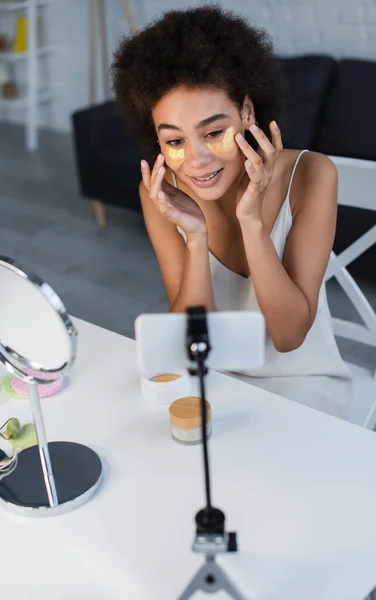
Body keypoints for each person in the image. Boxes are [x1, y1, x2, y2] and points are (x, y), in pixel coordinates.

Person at [111, 4, 352, 419]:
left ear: (247, 112)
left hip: (303, 386)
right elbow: (190, 338)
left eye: (214, 132)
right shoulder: (162, 194)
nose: (197, 160)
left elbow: (289, 336)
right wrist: (196, 237)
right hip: (212, 380)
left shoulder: (312, 174)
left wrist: (252, 222)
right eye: (175, 141)